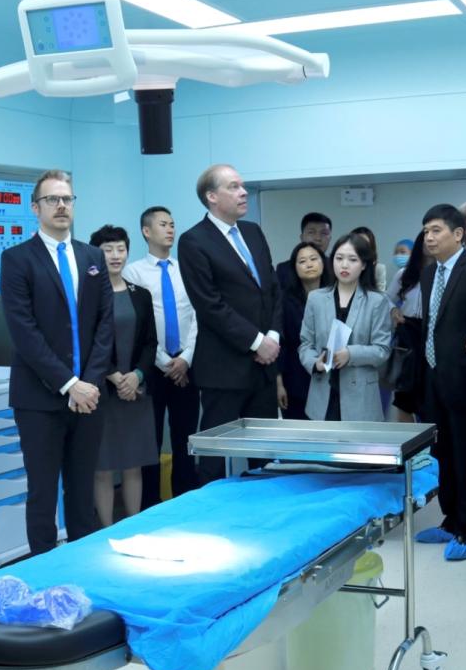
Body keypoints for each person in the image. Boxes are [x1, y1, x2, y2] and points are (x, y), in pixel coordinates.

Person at [0, 169, 113, 556]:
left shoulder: (92, 257)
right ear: (36, 208)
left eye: (67, 199)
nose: (61, 205)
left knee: (82, 491)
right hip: (39, 399)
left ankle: (82, 567)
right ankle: (44, 573)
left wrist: (90, 383)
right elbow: (24, 332)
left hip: (89, 396)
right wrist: (69, 384)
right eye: (52, 199)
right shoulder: (17, 259)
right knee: (43, 493)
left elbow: (104, 325)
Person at [179, 164, 282, 481]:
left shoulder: (253, 232)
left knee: (265, 457)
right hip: (223, 369)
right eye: (234, 186)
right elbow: (210, 305)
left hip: (264, 368)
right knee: (215, 457)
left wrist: (273, 337)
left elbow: (272, 289)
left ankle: (265, 508)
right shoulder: (193, 241)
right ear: (212, 196)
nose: (243, 192)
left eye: (243, 186)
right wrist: (257, 342)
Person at [413, 204, 466, 561]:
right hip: (434, 379)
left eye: (436, 230)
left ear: (458, 234)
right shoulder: (429, 274)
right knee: (442, 454)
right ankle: (450, 520)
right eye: (426, 232)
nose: (429, 238)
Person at [123, 206, 201, 507]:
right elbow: (139, 324)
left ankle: (185, 502)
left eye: (172, 224)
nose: (170, 229)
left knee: (186, 438)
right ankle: (151, 505)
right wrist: (165, 362)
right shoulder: (133, 272)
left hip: (187, 365)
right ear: (146, 231)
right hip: (152, 366)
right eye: (163, 224)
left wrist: (186, 359)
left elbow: (197, 317)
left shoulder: (186, 269)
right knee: (151, 440)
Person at [89, 225, 158, 526]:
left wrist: (137, 375)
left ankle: (134, 525)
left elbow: (150, 342)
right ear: (96, 254)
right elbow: (87, 342)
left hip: (136, 391)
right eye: (108, 250)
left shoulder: (140, 295)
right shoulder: (87, 296)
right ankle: (105, 529)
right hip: (103, 392)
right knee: (103, 467)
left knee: (134, 464)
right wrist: (114, 376)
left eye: (121, 249)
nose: (115, 255)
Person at [299, 233, 392, 421]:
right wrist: (315, 363)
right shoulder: (316, 299)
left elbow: (382, 350)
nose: (344, 265)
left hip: (361, 399)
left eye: (352, 260)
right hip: (323, 393)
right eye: (339, 258)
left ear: (364, 264)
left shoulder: (377, 301)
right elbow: (305, 344)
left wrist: (350, 354)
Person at [277, 241, 331, 419]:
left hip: (331, 378)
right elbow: (280, 344)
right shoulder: (285, 300)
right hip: (295, 380)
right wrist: (279, 384)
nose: (309, 264)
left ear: (323, 262)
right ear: (294, 268)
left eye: (314, 259)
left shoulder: (337, 296)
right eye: (302, 261)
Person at [384, 233, 430, 422]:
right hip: (408, 331)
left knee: (428, 394)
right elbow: (387, 299)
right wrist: (394, 309)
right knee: (404, 394)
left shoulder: (444, 273)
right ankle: (409, 438)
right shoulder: (405, 273)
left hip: (432, 332)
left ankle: (430, 437)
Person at [275, 212, 333, 289]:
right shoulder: (284, 269)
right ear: (302, 237)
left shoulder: (335, 266)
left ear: (330, 238)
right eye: (311, 232)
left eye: (324, 233)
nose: (318, 238)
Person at [350, 226, 388, 291]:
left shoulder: (378, 268)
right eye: (357, 243)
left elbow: (381, 294)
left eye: (365, 244)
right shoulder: (343, 266)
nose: (361, 247)